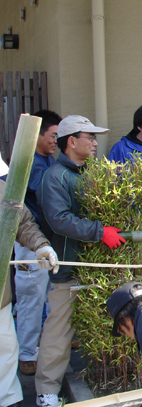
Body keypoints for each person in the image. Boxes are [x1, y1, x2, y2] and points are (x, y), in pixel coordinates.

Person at [35, 115, 126, 407]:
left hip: (98, 266)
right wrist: (100, 232)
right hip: (69, 265)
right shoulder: (55, 177)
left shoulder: (90, 174)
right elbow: (59, 220)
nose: (95, 143)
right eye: (90, 137)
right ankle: (46, 390)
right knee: (59, 329)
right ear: (72, 141)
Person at [0, 178, 59, 407]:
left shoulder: (2, 189)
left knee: (6, 344)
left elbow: (21, 222)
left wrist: (40, 246)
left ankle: (8, 398)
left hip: (0, 290)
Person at [13, 109, 62, 377]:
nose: (56, 140)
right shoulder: (30, 162)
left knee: (43, 297)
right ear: (39, 134)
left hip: (44, 242)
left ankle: (36, 347)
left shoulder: (47, 159)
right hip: (29, 243)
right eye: (53, 135)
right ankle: (26, 355)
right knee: (31, 298)